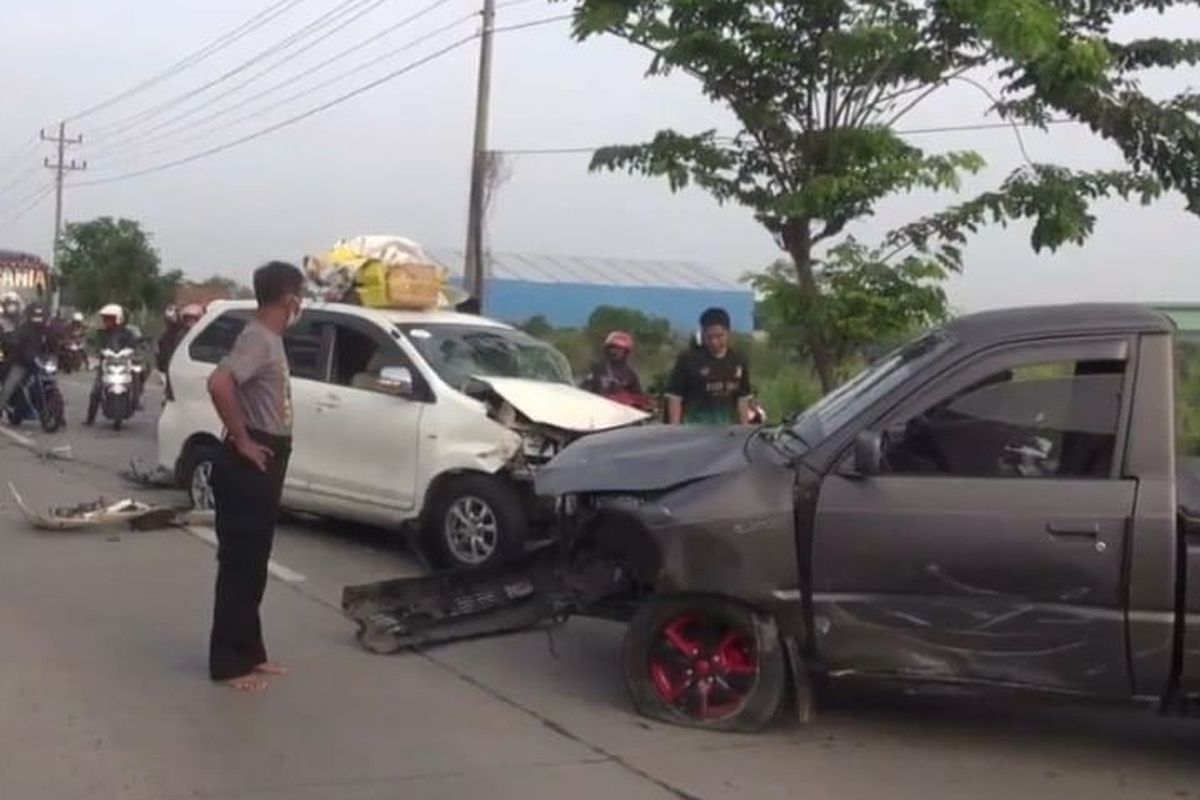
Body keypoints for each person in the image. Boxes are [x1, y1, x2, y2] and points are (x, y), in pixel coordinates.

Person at [206, 261, 304, 692]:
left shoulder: (270, 340)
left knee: (254, 562)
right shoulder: (258, 339)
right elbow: (219, 383)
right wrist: (243, 439)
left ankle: (250, 652)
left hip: (269, 455)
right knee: (240, 563)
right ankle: (228, 664)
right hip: (251, 458)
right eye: (299, 297)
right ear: (289, 299)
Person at [666, 307, 752, 426]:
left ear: (728, 333)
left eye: (719, 336)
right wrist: (674, 430)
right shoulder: (688, 359)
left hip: (726, 430)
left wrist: (744, 429)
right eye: (709, 337)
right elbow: (675, 397)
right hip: (695, 429)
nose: (714, 342)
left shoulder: (738, 360)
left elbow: (742, 399)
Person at [84, 304, 137, 426]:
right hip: (106, 365)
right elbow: (94, 346)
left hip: (124, 364)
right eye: (105, 318)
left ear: (118, 318)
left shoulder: (127, 333)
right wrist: (95, 353)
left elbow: (134, 346)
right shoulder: (101, 333)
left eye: (110, 318)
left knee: (136, 377)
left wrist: (132, 353)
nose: (106, 321)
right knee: (95, 391)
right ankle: (90, 419)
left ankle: (135, 400)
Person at [0, 304, 50, 419]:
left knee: (51, 381)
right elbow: (13, 342)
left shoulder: (45, 331)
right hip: (22, 363)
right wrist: (12, 345)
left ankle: (54, 412)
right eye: (35, 315)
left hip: (39, 363)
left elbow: (52, 343)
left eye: (40, 315)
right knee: (9, 386)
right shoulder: (22, 329)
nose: (38, 318)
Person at [581, 331, 643, 400]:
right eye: (613, 348)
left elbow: (638, 398)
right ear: (607, 350)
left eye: (620, 349)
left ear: (626, 352)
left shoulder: (630, 375)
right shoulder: (597, 368)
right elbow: (584, 390)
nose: (615, 352)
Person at [157, 303, 202, 374]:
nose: (189, 321)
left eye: (192, 319)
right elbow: (165, 353)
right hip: (175, 369)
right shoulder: (176, 334)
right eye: (187, 318)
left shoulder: (200, 335)